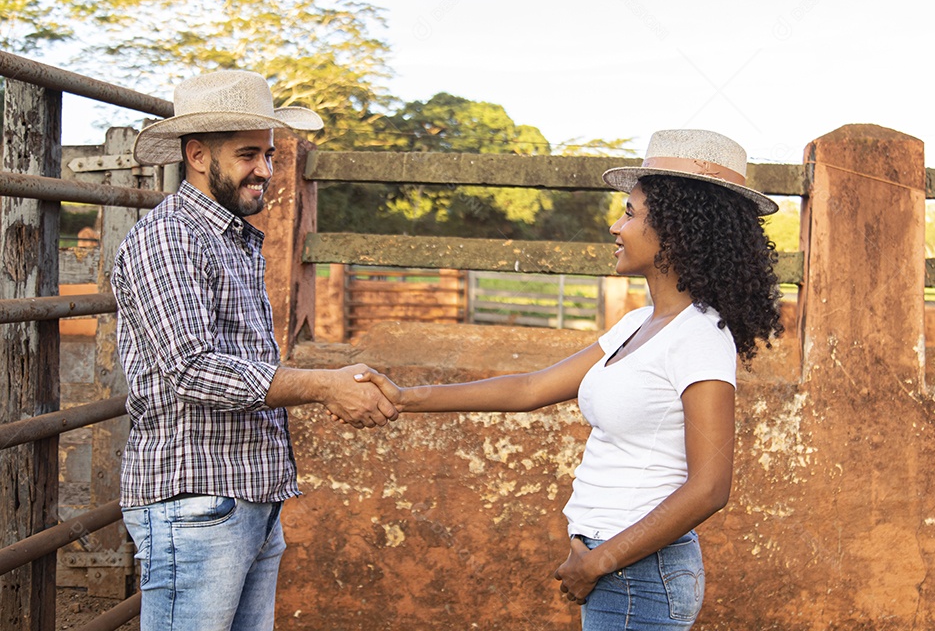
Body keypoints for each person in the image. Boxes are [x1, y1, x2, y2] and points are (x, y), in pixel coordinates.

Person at [352, 129, 784, 629]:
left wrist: (601, 561)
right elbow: (530, 388)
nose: (614, 226)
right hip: (615, 567)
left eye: (629, 212)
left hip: (637, 574)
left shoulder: (700, 336)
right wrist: (406, 397)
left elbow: (710, 487)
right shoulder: (639, 325)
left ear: (678, 229)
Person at [112, 70, 399, 631]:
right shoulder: (172, 237)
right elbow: (192, 370)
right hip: (198, 500)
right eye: (249, 155)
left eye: (268, 155)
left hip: (247, 497)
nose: (265, 170)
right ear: (197, 155)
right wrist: (324, 385)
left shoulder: (233, 239)